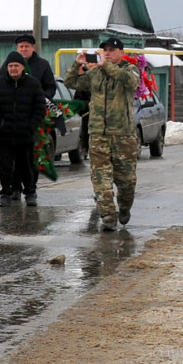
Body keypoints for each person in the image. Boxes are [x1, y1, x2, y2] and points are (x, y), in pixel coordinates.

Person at [66, 36, 140, 231]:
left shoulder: (130, 69)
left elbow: (129, 81)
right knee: (100, 178)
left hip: (123, 135)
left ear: (121, 52)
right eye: (104, 50)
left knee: (126, 181)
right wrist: (77, 63)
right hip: (98, 133)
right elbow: (70, 82)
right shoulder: (95, 74)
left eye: (111, 50)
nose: (107, 53)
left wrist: (105, 65)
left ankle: (124, 207)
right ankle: (108, 216)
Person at [0, 51, 48, 208]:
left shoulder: (33, 84)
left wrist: (31, 125)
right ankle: (5, 194)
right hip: (5, 134)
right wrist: (0, 125)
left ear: (23, 67)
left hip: (25, 134)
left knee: (27, 165)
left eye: (16, 65)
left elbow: (40, 108)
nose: (13, 69)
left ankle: (30, 193)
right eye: (10, 66)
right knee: (6, 166)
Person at [1, 34, 57, 101]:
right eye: (21, 47)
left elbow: (50, 87)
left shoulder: (43, 64)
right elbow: (0, 84)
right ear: (17, 48)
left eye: (26, 46)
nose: (24, 49)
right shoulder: (9, 64)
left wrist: (43, 98)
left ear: (33, 48)